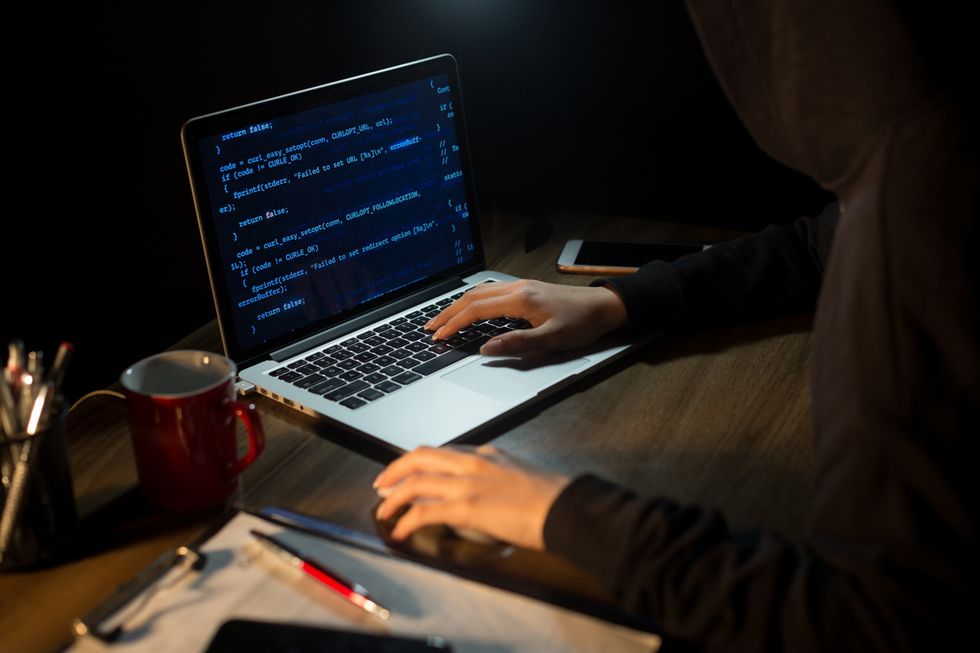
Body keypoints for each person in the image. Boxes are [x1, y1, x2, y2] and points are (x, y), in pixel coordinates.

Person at [375, 0, 978, 649]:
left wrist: (560, 512)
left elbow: (871, 623)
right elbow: (815, 246)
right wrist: (621, 302)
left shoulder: (923, 215)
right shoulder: (927, 156)